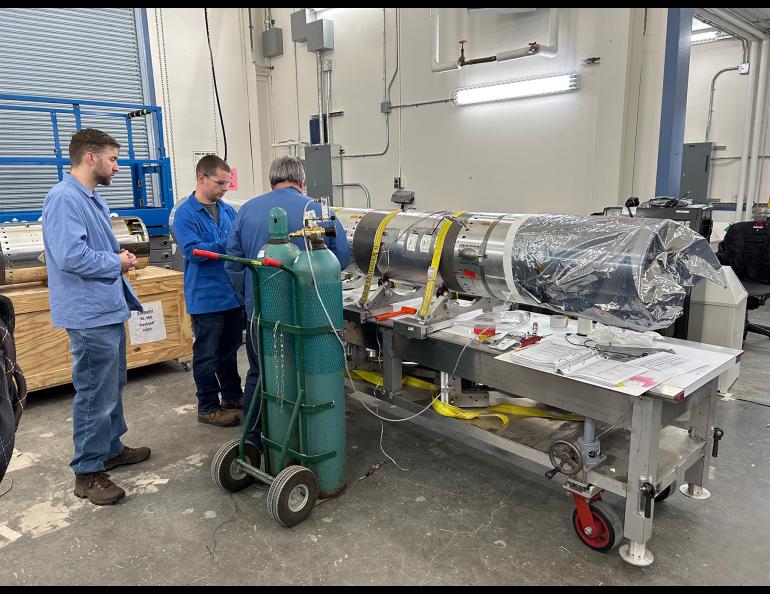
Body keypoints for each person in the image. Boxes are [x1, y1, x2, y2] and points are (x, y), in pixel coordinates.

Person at [42, 128, 150, 506]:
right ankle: (87, 471)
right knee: (94, 393)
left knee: (111, 385)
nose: (117, 167)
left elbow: (90, 248)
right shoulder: (64, 199)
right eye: (113, 159)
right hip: (89, 315)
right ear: (90, 157)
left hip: (106, 307)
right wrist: (115, 261)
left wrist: (117, 256)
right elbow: (70, 256)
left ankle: (110, 449)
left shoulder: (91, 198)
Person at [225, 156, 351, 447]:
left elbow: (232, 264)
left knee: (262, 374)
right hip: (310, 315)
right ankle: (312, 440)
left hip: (262, 314)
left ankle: (254, 441)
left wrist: (250, 298)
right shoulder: (319, 210)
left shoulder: (246, 211)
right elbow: (340, 258)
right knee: (311, 375)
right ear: (301, 181)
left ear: (272, 180)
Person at [172, 155, 243, 427]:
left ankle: (233, 397)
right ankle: (208, 406)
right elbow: (195, 252)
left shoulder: (227, 210)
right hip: (206, 298)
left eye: (228, 183)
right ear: (202, 178)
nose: (225, 188)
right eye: (221, 183)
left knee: (229, 351)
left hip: (231, 295)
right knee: (206, 356)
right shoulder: (186, 214)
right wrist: (229, 244)